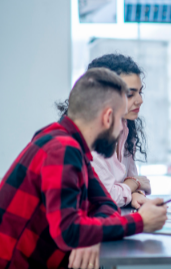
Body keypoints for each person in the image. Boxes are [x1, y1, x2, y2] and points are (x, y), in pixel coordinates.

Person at [0, 68, 167, 269]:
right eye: (121, 119)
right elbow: (69, 232)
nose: (123, 129)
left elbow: (106, 203)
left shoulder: (71, 146)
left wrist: (91, 233)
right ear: (107, 118)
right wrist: (140, 221)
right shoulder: (62, 150)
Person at [58, 54, 150, 208]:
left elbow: (135, 182)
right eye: (130, 94)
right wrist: (133, 185)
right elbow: (105, 197)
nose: (140, 100)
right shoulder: (85, 139)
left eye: (140, 92)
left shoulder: (125, 127)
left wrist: (133, 190)